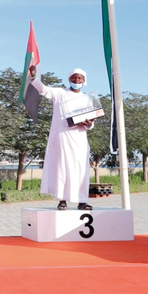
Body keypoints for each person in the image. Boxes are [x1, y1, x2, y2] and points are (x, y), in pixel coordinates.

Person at [29, 66, 95, 211]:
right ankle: (62, 200)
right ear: (69, 79)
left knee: (81, 171)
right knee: (62, 169)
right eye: (74, 77)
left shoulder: (87, 98)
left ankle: (82, 201)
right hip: (62, 139)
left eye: (79, 78)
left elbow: (91, 120)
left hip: (79, 140)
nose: (76, 80)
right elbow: (43, 89)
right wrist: (34, 77)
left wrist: (89, 124)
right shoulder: (60, 93)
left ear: (84, 80)